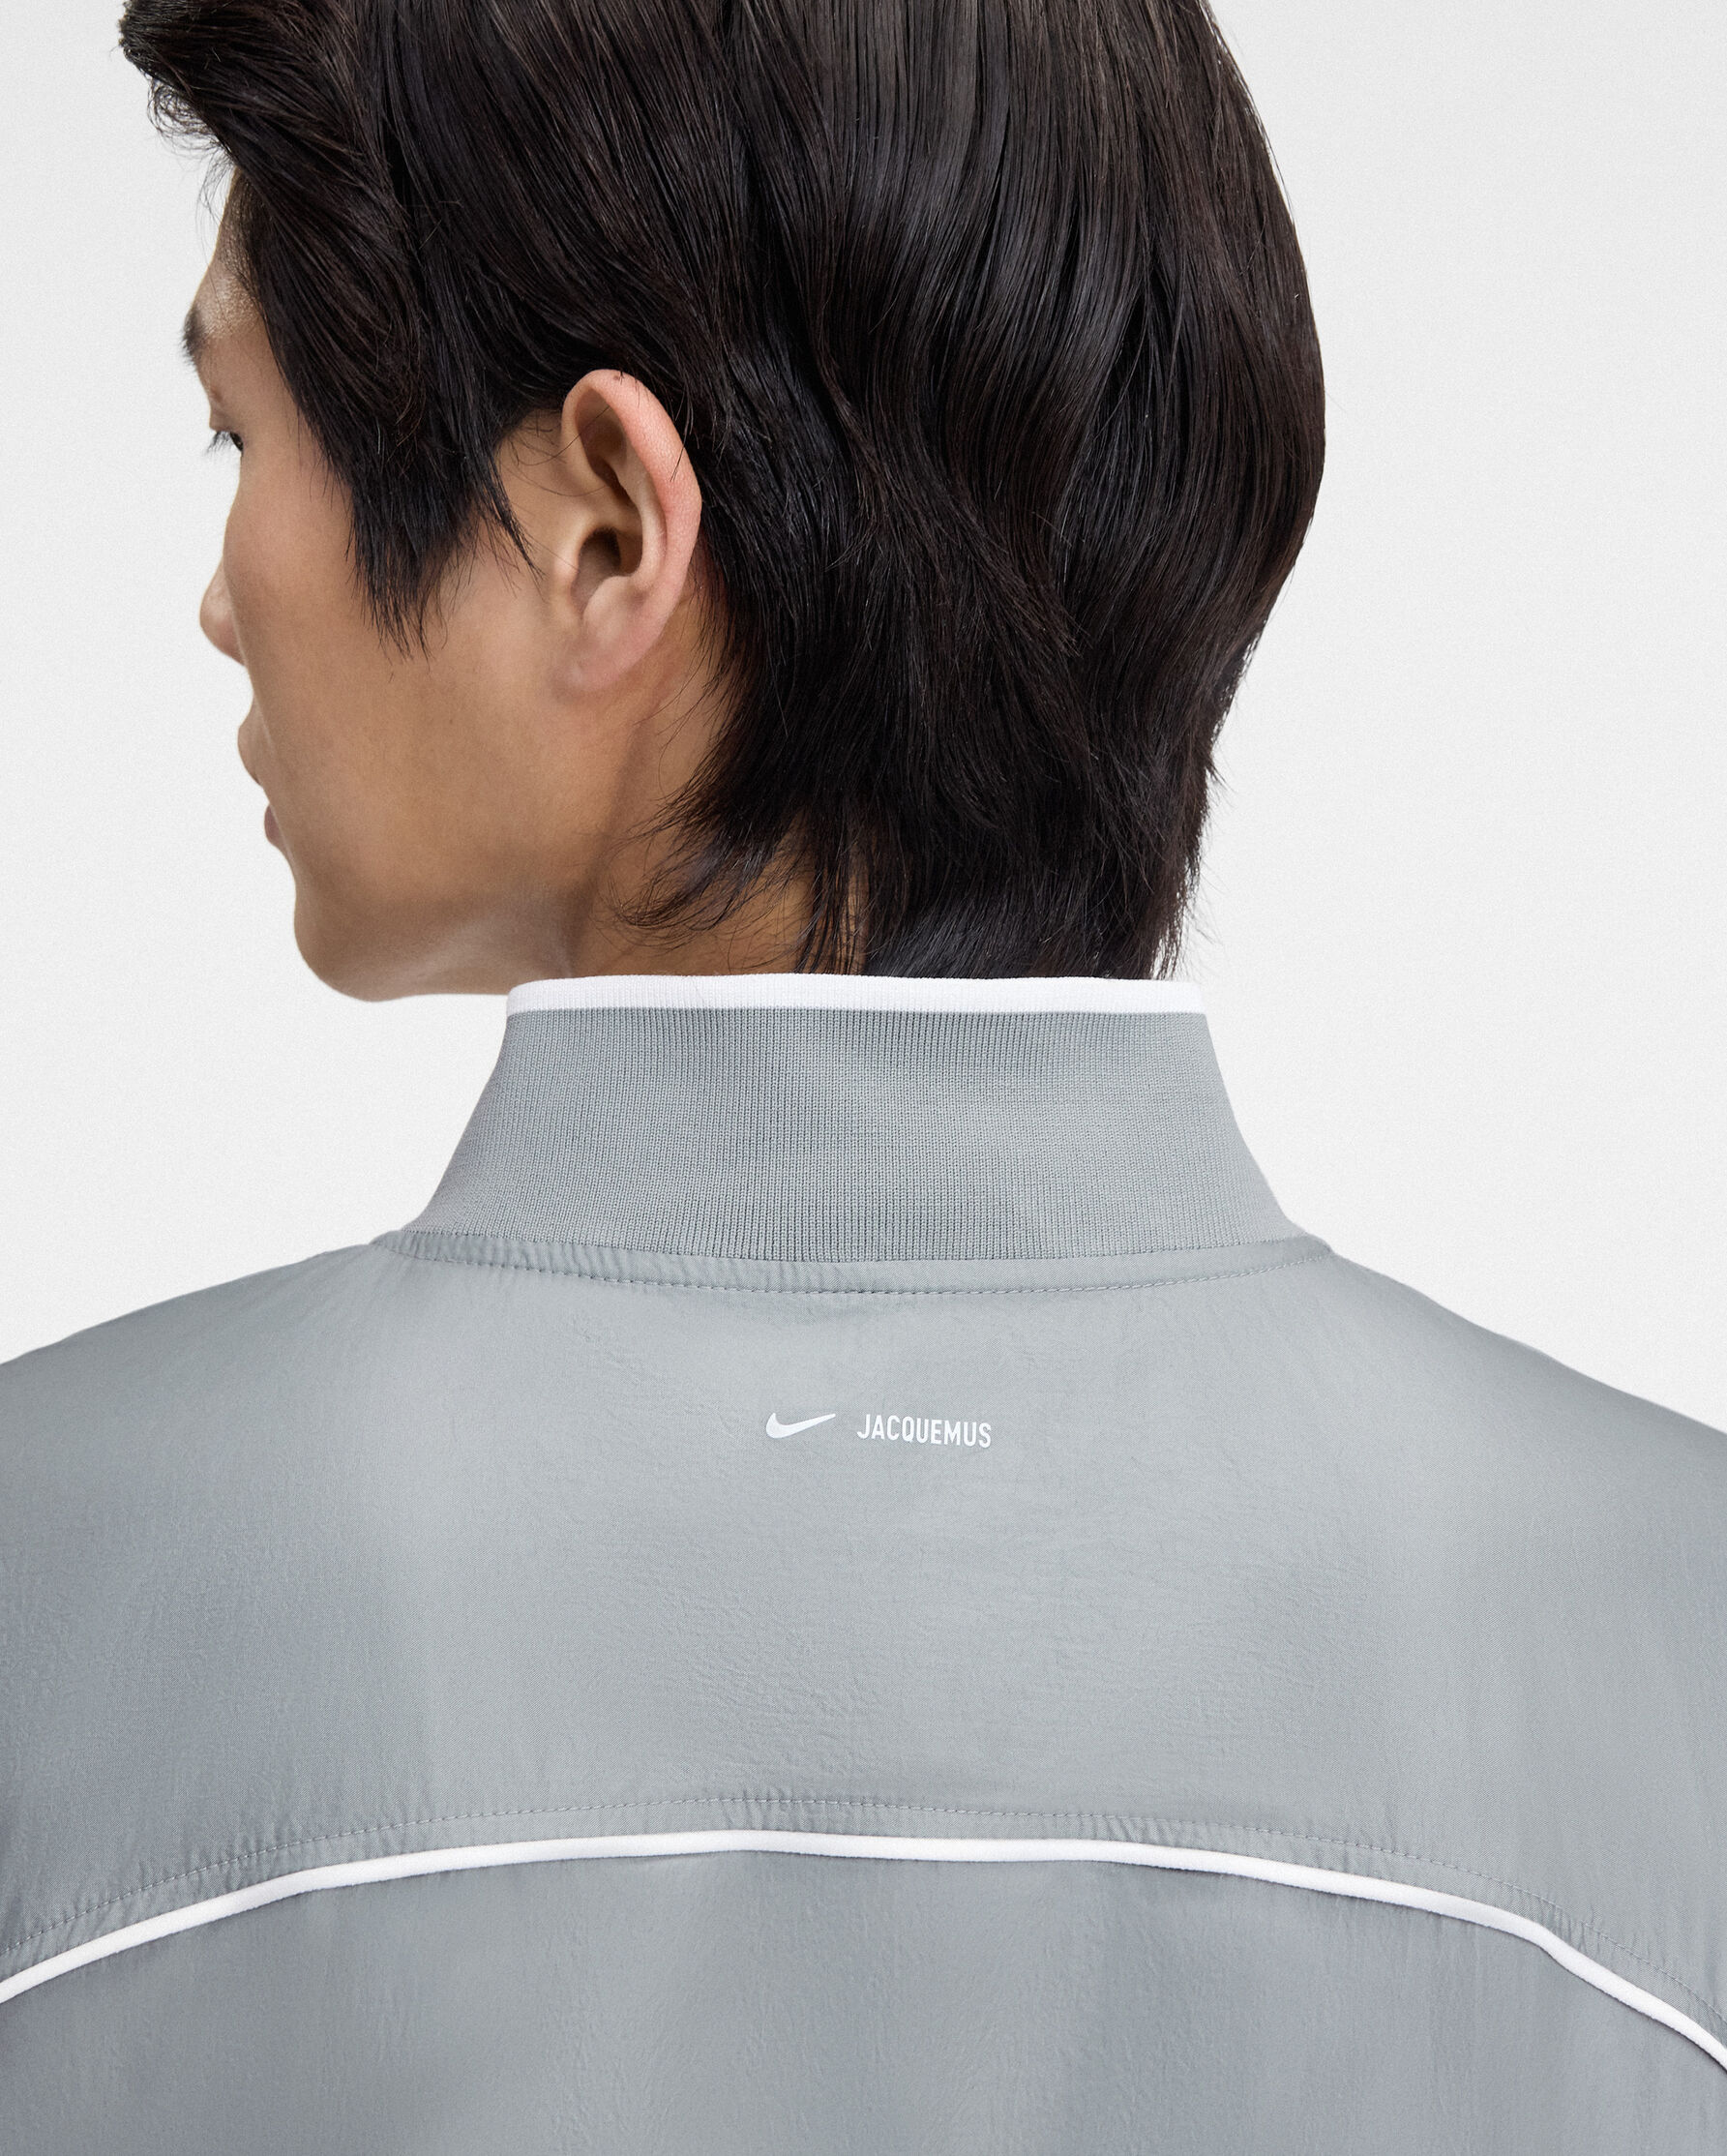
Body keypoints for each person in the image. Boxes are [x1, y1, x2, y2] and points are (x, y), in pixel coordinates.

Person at [1, 0, 1720, 2147]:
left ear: (602, 530)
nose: (219, 601)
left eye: (236, 437)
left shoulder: (46, 1589)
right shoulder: (1678, 1637)